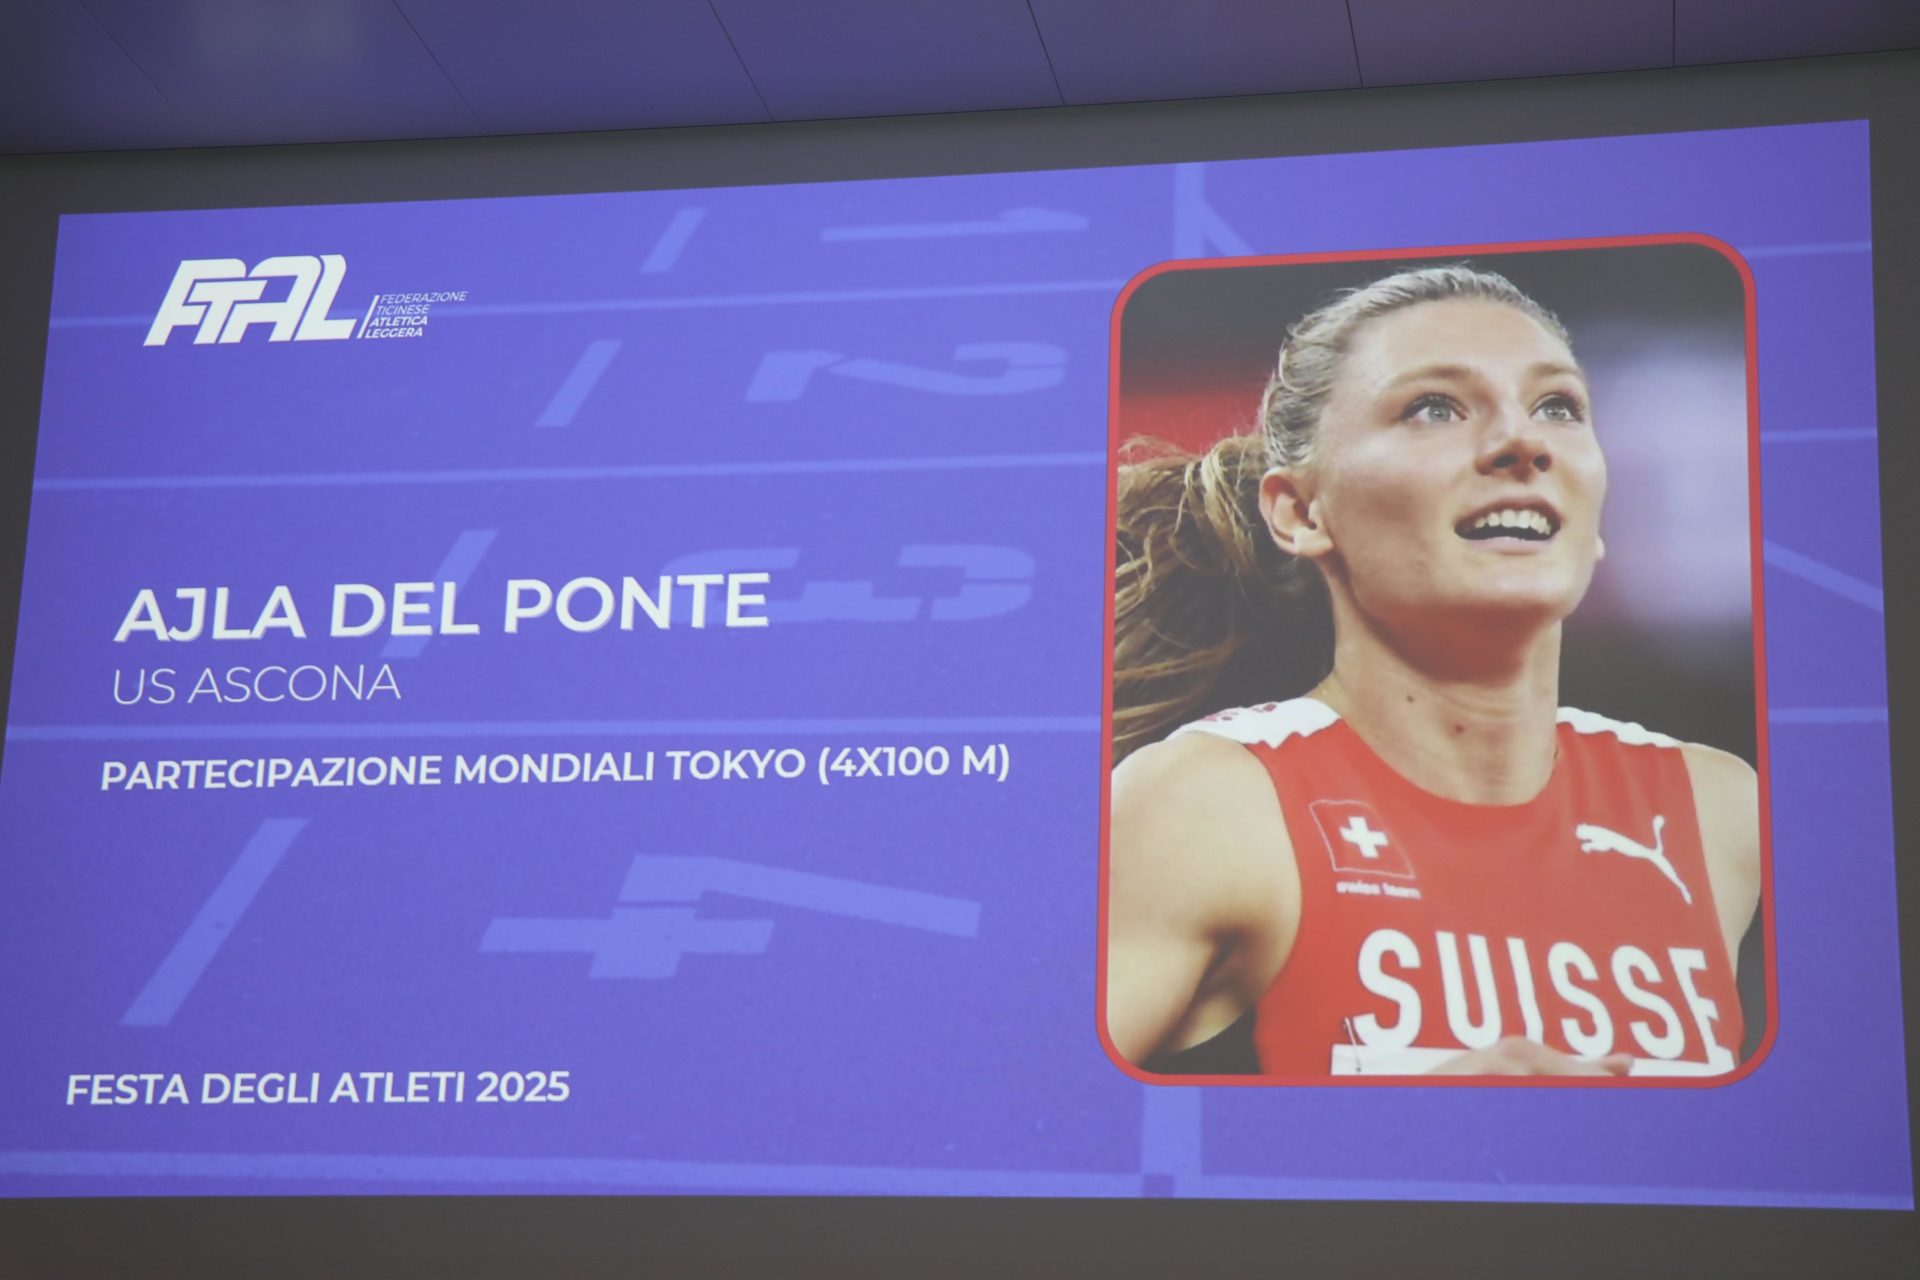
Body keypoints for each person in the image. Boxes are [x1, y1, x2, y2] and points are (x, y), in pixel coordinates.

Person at [1104, 264, 1761, 1078]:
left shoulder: (1722, 810)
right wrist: (1409, 1130)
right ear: (1301, 512)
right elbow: (1007, 1125)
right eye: (1435, 408)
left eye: (1558, 406)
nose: (1524, 443)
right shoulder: (1207, 804)